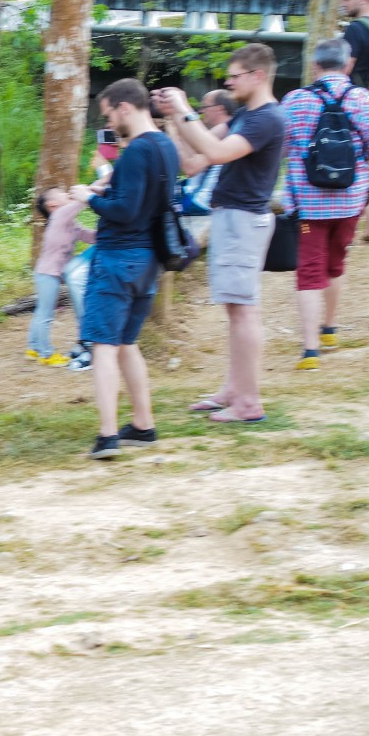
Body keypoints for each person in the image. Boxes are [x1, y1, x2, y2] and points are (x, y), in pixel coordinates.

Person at [154, 43, 287, 422]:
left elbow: (217, 151)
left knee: (244, 312)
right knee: (235, 310)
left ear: (257, 75)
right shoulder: (247, 114)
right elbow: (195, 162)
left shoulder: (267, 118)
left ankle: (249, 402)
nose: (228, 82)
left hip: (244, 220)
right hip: (232, 218)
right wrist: (172, 119)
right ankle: (234, 389)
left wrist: (184, 108)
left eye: (235, 75)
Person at [71, 79, 178, 459]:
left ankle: (107, 436)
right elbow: (146, 200)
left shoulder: (135, 152)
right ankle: (144, 426)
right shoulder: (166, 146)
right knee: (127, 344)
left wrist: (89, 198)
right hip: (148, 261)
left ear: (125, 108)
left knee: (103, 345)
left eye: (110, 115)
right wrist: (108, 188)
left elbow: (126, 211)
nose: (110, 124)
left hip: (117, 259)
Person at [278, 37, 369, 370]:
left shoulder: (294, 101)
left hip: (308, 205)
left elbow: (280, 151)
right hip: (351, 202)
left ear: (315, 65)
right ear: (348, 64)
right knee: (336, 261)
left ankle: (310, 350)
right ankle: (329, 328)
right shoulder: (366, 101)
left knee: (310, 270)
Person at [26, 186, 92, 366]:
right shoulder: (59, 216)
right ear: (52, 204)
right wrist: (99, 185)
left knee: (41, 311)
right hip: (47, 274)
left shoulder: (70, 224)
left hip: (48, 274)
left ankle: (32, 348)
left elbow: (90, 236)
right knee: (45, 314)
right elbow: (83, 200)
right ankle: (46, 354)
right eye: (62, 193)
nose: (67, 194)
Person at [171, 91, 234, 230]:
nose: (201, 111)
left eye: (205, 106)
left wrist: (176, 121)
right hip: (202, 202)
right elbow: (191, 153)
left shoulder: (227, 128)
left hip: (203, 204)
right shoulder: (228, 129)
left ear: (220, 108)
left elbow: (190, 165)